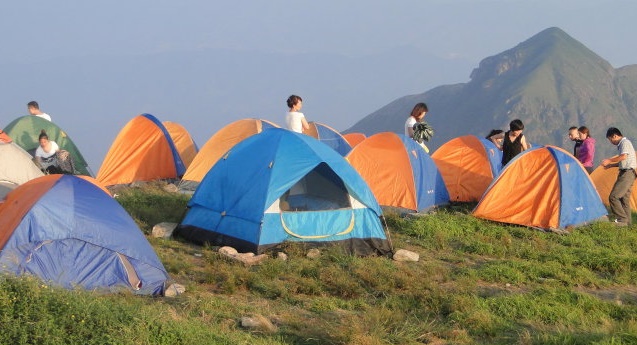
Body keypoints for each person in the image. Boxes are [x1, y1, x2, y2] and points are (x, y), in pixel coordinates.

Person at [601, 127, 637, 226]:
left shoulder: (624, 143)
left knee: (613, 197)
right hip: (629, 172)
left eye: (610, 139)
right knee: (624, 198)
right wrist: (611, 166)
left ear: (615, 136)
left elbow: (623, 157)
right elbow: (624, 161)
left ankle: (621, 219)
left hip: (627, 173)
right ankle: (628, 223)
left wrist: (609, 160)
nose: (611, 142)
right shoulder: (624, 144)